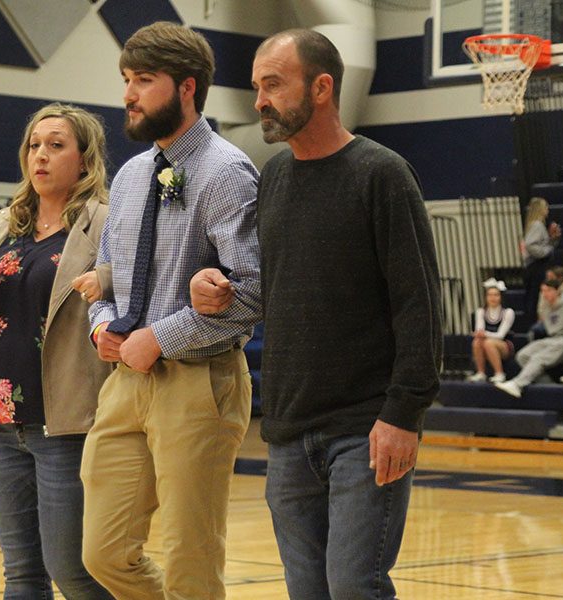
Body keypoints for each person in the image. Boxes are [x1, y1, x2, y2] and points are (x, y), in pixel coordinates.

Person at [191, 28, 440, 599]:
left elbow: (419, 304)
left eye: (273, 84)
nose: (259, 101)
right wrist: (216, 287)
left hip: (366, 427)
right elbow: (266, 285)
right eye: (257, 87)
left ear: (322, 87)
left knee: (355, 587)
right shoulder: (273, 178)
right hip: (288, 433)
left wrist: (404, 413)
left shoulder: (382, 174)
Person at [82, 23, 260, 600]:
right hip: (124, 379)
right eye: (126, 80)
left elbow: (254, 291)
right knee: (103, 553)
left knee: (191, 557)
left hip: (199, 382)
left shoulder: (228, 171)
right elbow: (107, 279)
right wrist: (102, 326)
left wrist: (161, 336)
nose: (129, 94)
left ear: (187, 88)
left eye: (144, 81)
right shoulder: (131, 177)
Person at [0, 103, 113, 599]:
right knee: (22, 574)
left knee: (73, 570)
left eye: (56, 145)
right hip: (1, 419)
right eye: (34, 145)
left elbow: (138, 281)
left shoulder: (104, 222)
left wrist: (105, 276)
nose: (41, 156)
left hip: (66, 423)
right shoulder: (3, 226)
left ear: (84, 159)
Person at [496, 280, 563, 398]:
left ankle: (517, 384)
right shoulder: (545, 306)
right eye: (543, 291)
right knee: (523, 355)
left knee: (538, 358)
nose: (545, 294)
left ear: (557, 291)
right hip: (552, 339)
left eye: (548, 290)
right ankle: (546, 383)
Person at [468, 279, 515, 383]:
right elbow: (479, 330)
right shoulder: (480, 311)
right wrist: (479, 333)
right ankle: (481, 373)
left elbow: (501, 335)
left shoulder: (508, 312)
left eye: (496, 295)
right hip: (486, 342)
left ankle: (499, 373)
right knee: (477, 342)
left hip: (504, 346)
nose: (492, 298)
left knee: (488, 343)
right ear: (486, 297)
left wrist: (484, 334)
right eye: (490, 295)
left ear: (501, 297)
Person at [521, 197, 560, 323]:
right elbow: (530, 244)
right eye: (546, 207)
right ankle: (533, 323)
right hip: (536, 266)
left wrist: (551, 239)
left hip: (534, 266)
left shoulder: (535, 225)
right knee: (535, 297)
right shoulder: (537, 225)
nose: (547, 210)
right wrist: (547, 251)